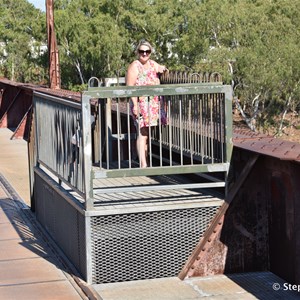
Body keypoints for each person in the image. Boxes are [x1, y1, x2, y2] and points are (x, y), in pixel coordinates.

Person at [126, 39, 168, 168]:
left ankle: (146, 162)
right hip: (141, 104)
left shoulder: (152, 64)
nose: (144, 54)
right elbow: (130, 87)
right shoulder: (134, 65)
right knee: (142, 132)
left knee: (147, 134)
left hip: (153, 104)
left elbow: (161, 68)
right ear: (137, 52)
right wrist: (135, 105)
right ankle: (143, 164)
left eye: (147, 51)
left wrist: (163, 69)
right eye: (141, 51)